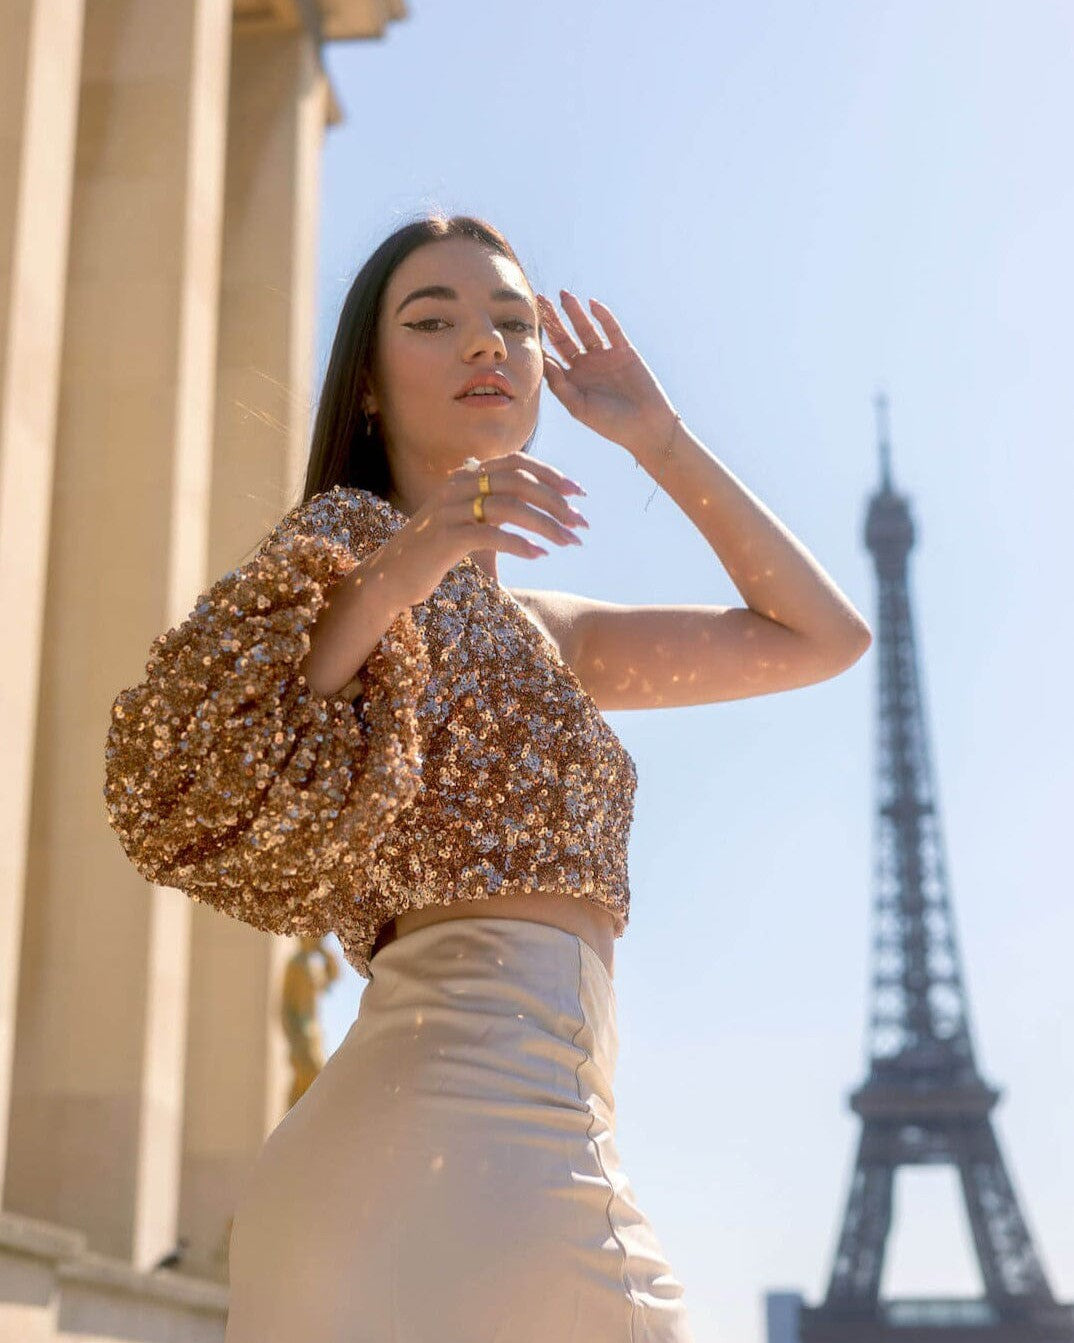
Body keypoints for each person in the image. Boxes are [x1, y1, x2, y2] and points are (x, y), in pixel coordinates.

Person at [103, 213, 871, 1341]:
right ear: (367, 384)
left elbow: (821, 638)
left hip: (504, 1144)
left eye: (512, 323)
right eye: (436, 319)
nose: (486, 345)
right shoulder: (338, 549)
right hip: (458, 1150)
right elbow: (200, 765)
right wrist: (402, 564)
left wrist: (660, 438)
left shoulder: (550, 635)